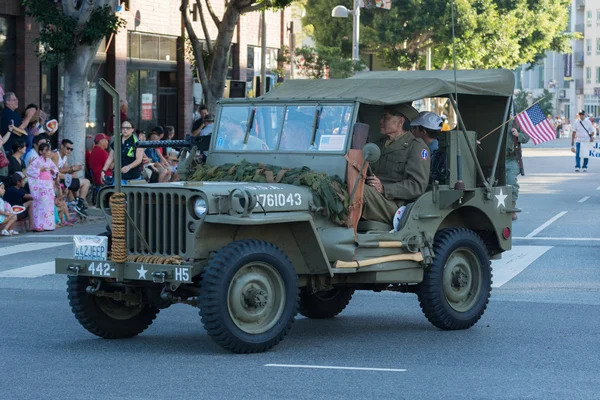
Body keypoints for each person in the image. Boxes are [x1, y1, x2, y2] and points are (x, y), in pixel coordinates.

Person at [362, 104, 430, 223]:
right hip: (375, 197)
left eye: (386, 118)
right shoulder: (378, 145)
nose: (381, 121)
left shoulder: (416, 147)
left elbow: (417, 185)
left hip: (395, 205)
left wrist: (384, 188)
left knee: (358, 190)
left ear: (400, 122)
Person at [52, 139, 91, 217]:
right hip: (55, 181)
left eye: (71, 149)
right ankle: (78, 205)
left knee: (75, 176)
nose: (69, 151)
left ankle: (77, 201)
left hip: (62, 180)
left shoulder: (65, 156)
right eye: (68, 148)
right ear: (62, 146)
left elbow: (66, 169)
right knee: (86, 182)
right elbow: (56, 173)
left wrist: (73, 169)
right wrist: (70, 171)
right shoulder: (56, 155)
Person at [26, 143, 59, 232]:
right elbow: (29, 171)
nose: (48, 152)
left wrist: (52, 171)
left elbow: (55, 169)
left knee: (48, 206)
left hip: (48, 185)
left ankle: (48, 225)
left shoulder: (49, 161)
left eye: (49, 150)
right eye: (46, 150)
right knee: (40, 205)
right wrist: (39, 170)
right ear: (41, 152)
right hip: (40, 185)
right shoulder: (36, 161)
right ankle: (38, 225)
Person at [101, 119, 145, 185]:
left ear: (132, 129)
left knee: (129, 195)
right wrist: (103, 170)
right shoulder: (117, 140)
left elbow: (139, 159)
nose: (125, 130)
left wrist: (129, 167)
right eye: (123, 128)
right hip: (119, 177)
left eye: (128, 128)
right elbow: (110, 157)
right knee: (117, 195)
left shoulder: (136, 141)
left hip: (133, 178)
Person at [410, 112, 447, 184]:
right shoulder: (436, 144)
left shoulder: (430, 150)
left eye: (414, 128)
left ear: (423, 131)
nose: (412, 131)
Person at [506, 124, 530, 221]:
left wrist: (518, 135)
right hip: (496, 158)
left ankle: (512, 208)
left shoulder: (515, 123)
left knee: (511, 182)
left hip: (511, 158)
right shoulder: (496, 119)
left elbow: (526, 137)